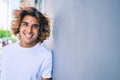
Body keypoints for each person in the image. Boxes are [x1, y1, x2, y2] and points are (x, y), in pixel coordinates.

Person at [0, 7, 52, 80]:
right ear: (19, 26)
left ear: (40, 30)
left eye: (35, 26)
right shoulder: (6, 51)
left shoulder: (45, 55)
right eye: (25, 24)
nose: (29, 30)